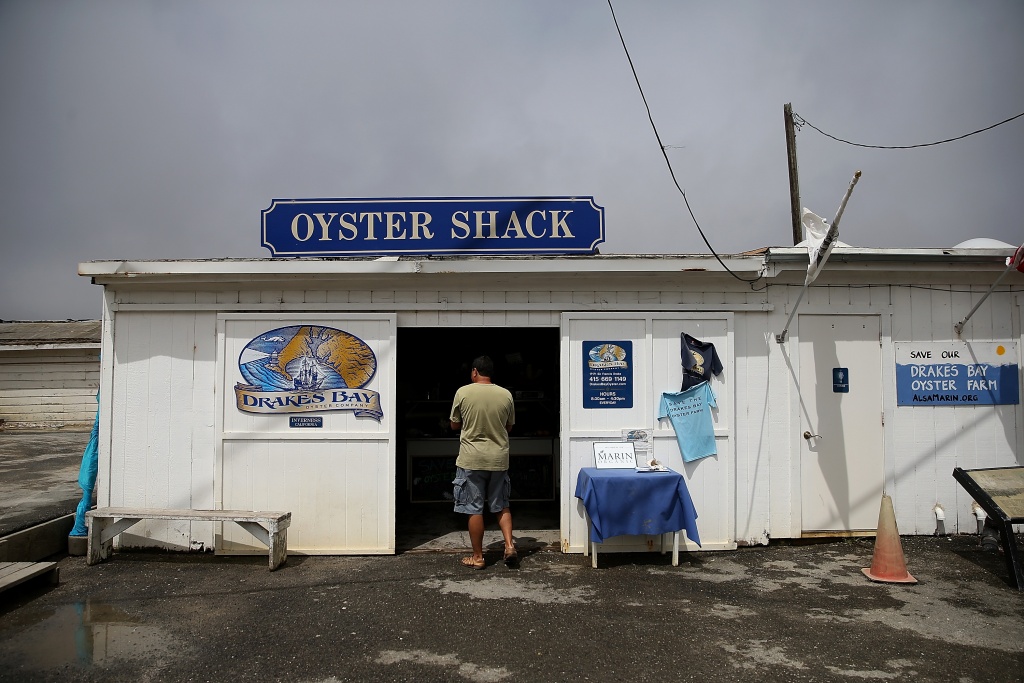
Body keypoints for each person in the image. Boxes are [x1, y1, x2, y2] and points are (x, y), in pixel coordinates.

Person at [449, 355, 517, 569]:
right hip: (498, 458)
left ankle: (478, 557)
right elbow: (509, 427)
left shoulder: (463, 392)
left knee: (474, 508)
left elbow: (454, 425)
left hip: (472, 459)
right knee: (501, 505)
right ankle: (509, 546)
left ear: (475, 371)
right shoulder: (505, 395)